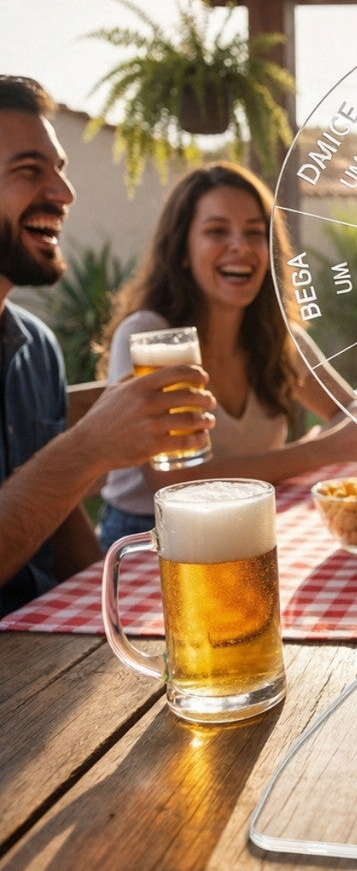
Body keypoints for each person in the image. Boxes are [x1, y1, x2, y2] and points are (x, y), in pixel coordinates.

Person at [0, 75, 216, 615]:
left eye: (61, 171)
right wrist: (90, 446)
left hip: (46, 644)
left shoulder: (36, 346)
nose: (64, 193)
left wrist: (124, 618)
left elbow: (59, 520)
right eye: (30, 171)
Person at [96, 161, 357, 549]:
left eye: (254, 233)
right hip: (148, 535)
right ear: (182, 250)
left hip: (249, 524)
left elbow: (355, 415)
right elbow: (175, 483)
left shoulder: (279, 339)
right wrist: (325, 448)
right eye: (217, 231)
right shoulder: (152, 336)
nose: (241, 246)